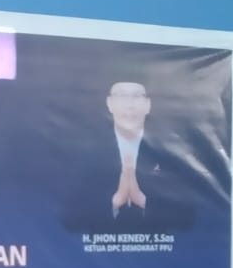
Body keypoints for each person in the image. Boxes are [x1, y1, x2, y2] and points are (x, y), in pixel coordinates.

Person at [62, 81, 196, 233]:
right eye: (121, 96)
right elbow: (69, 217)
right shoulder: (87, 150)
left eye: (136, 96)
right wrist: (114, 202)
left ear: (148, 105)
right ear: (109, 103)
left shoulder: (168, 150)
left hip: (158, 242)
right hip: (101, 242)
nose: (129, 104)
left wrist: (144, 202)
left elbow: (188, 216)